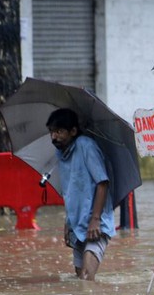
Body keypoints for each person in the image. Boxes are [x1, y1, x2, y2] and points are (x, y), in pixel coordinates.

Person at [46, 108, 115, 280]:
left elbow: (102, 182)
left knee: (86, 279)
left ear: (73, 131)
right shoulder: (60, 153)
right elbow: (71, 190)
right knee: (79, 281)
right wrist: (68, 222)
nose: (54, 137)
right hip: (76, 224)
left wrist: (95, 219)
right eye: (51, 132)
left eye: (59, 131)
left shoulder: (86, 146)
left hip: (95, 225)